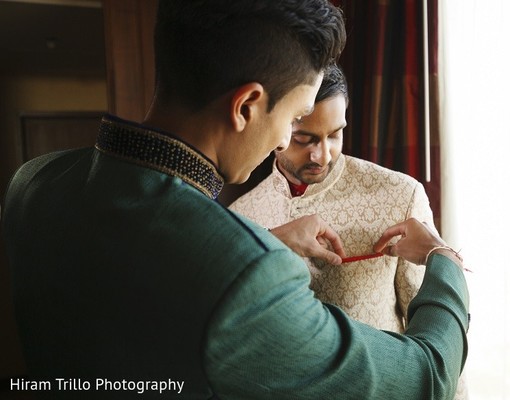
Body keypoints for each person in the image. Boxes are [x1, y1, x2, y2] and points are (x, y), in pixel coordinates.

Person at [1, 1, 469, 399]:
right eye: (296, 119)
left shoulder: (33, 183)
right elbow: (425, 375)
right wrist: (444, 259)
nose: (288, 138)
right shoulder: (247, 269)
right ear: (247, 106)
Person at [230, 63, 469, 399]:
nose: (322, 154)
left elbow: (440, 339)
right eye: (304, 139)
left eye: (335, 134)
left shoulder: (398, 196)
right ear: (277, 126)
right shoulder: (239, 219)